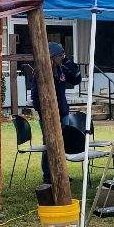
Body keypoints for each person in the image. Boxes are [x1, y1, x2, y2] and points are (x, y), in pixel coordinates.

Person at [29, 42, 81, 184]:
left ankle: (61, 173)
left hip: (63, 113)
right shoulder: (40, 72)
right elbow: (35, 96)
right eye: (60, 55)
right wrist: (42, 112)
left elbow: (76, 79)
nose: (62, 57)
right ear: (52, 56)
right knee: (49, 144)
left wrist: (67, 61)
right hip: (48, 115)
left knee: (62, 142)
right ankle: (48, 174)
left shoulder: (62, 70)